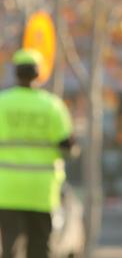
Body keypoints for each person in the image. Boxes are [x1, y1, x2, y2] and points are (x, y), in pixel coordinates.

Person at [0, 49, 75, 258]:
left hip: (7, 189)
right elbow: (68, 147)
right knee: (40, 246)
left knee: (10, 248)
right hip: (42, 190)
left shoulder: (2, 103)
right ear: (39, 74)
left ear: (15, 72)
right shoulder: (52, 106)